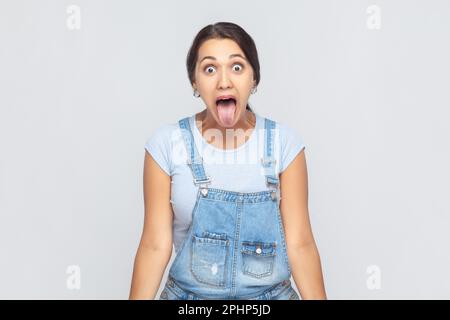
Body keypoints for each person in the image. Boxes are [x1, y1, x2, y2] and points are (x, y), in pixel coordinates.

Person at [129, 22, 327, 300]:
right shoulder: (167, 144)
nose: (224, 81)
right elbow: (154, 246)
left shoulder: (284, 143)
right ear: (195, 83)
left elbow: (300, 244)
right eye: (210, 69)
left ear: (254, 79)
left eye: (237, 67)